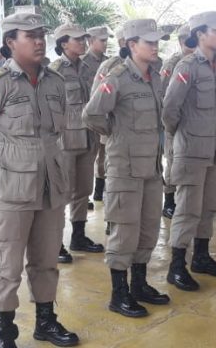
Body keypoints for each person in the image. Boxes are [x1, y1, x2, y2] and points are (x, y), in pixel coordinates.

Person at [0, 13, 79, 347]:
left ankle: (46, 321)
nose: (39, 40)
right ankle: (5, 330)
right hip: (10, 188)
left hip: (50, 185)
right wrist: (5, 162)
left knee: (46, 260)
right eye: (30, 35)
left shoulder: (55, 82)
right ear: (11, 42)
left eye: (42, 34)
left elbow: (59, 130)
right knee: (7, 265)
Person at [84, 18, 172, 318]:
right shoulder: (117, 76)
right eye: (149, 42)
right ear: (131, 45)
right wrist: (117, 134)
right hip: (124, 166)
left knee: (148, 228)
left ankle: (139, 285)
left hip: (151, 166)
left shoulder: (155, 76)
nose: (155, 46)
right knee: (124, 230)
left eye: (156, 41)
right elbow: (93, 114)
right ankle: (118, 294)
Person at [162, 11, 216, 291]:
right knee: (187, 210)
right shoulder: (187, 66)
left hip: (215, 149)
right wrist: (183, 136)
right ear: (201, 34)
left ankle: (201, 256)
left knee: (208, 207)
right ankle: (177, 265)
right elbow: (170, 109)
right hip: (191, 150)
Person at [49, 23, 105, 264]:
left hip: (88, 137)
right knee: (61, 193)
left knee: (83, 190)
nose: (83, 42)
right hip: (65, 141)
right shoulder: (54, 71)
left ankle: (79, 236)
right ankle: (55, 242)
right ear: (63, 43)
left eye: (84, 38)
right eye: (77, 39)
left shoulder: (89, 67)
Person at [159, 23, 195, 220]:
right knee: (172, 161)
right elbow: (163, 93)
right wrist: (170, 125)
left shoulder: (199, 61)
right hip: (174, 123)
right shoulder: (172, 64)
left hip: (192, 123)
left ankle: (183, 199)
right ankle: (169, 201)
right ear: (182, 41)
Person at [83, 26, 113, 203]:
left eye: (106, 40)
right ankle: (84, 194)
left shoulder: (110, 62)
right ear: (90, 41)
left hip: (104, 115)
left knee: (104, 153)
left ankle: (100, 188)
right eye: (102, 40)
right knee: (87, 157)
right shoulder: (82, 62)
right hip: (86, 116)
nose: (105, 43)